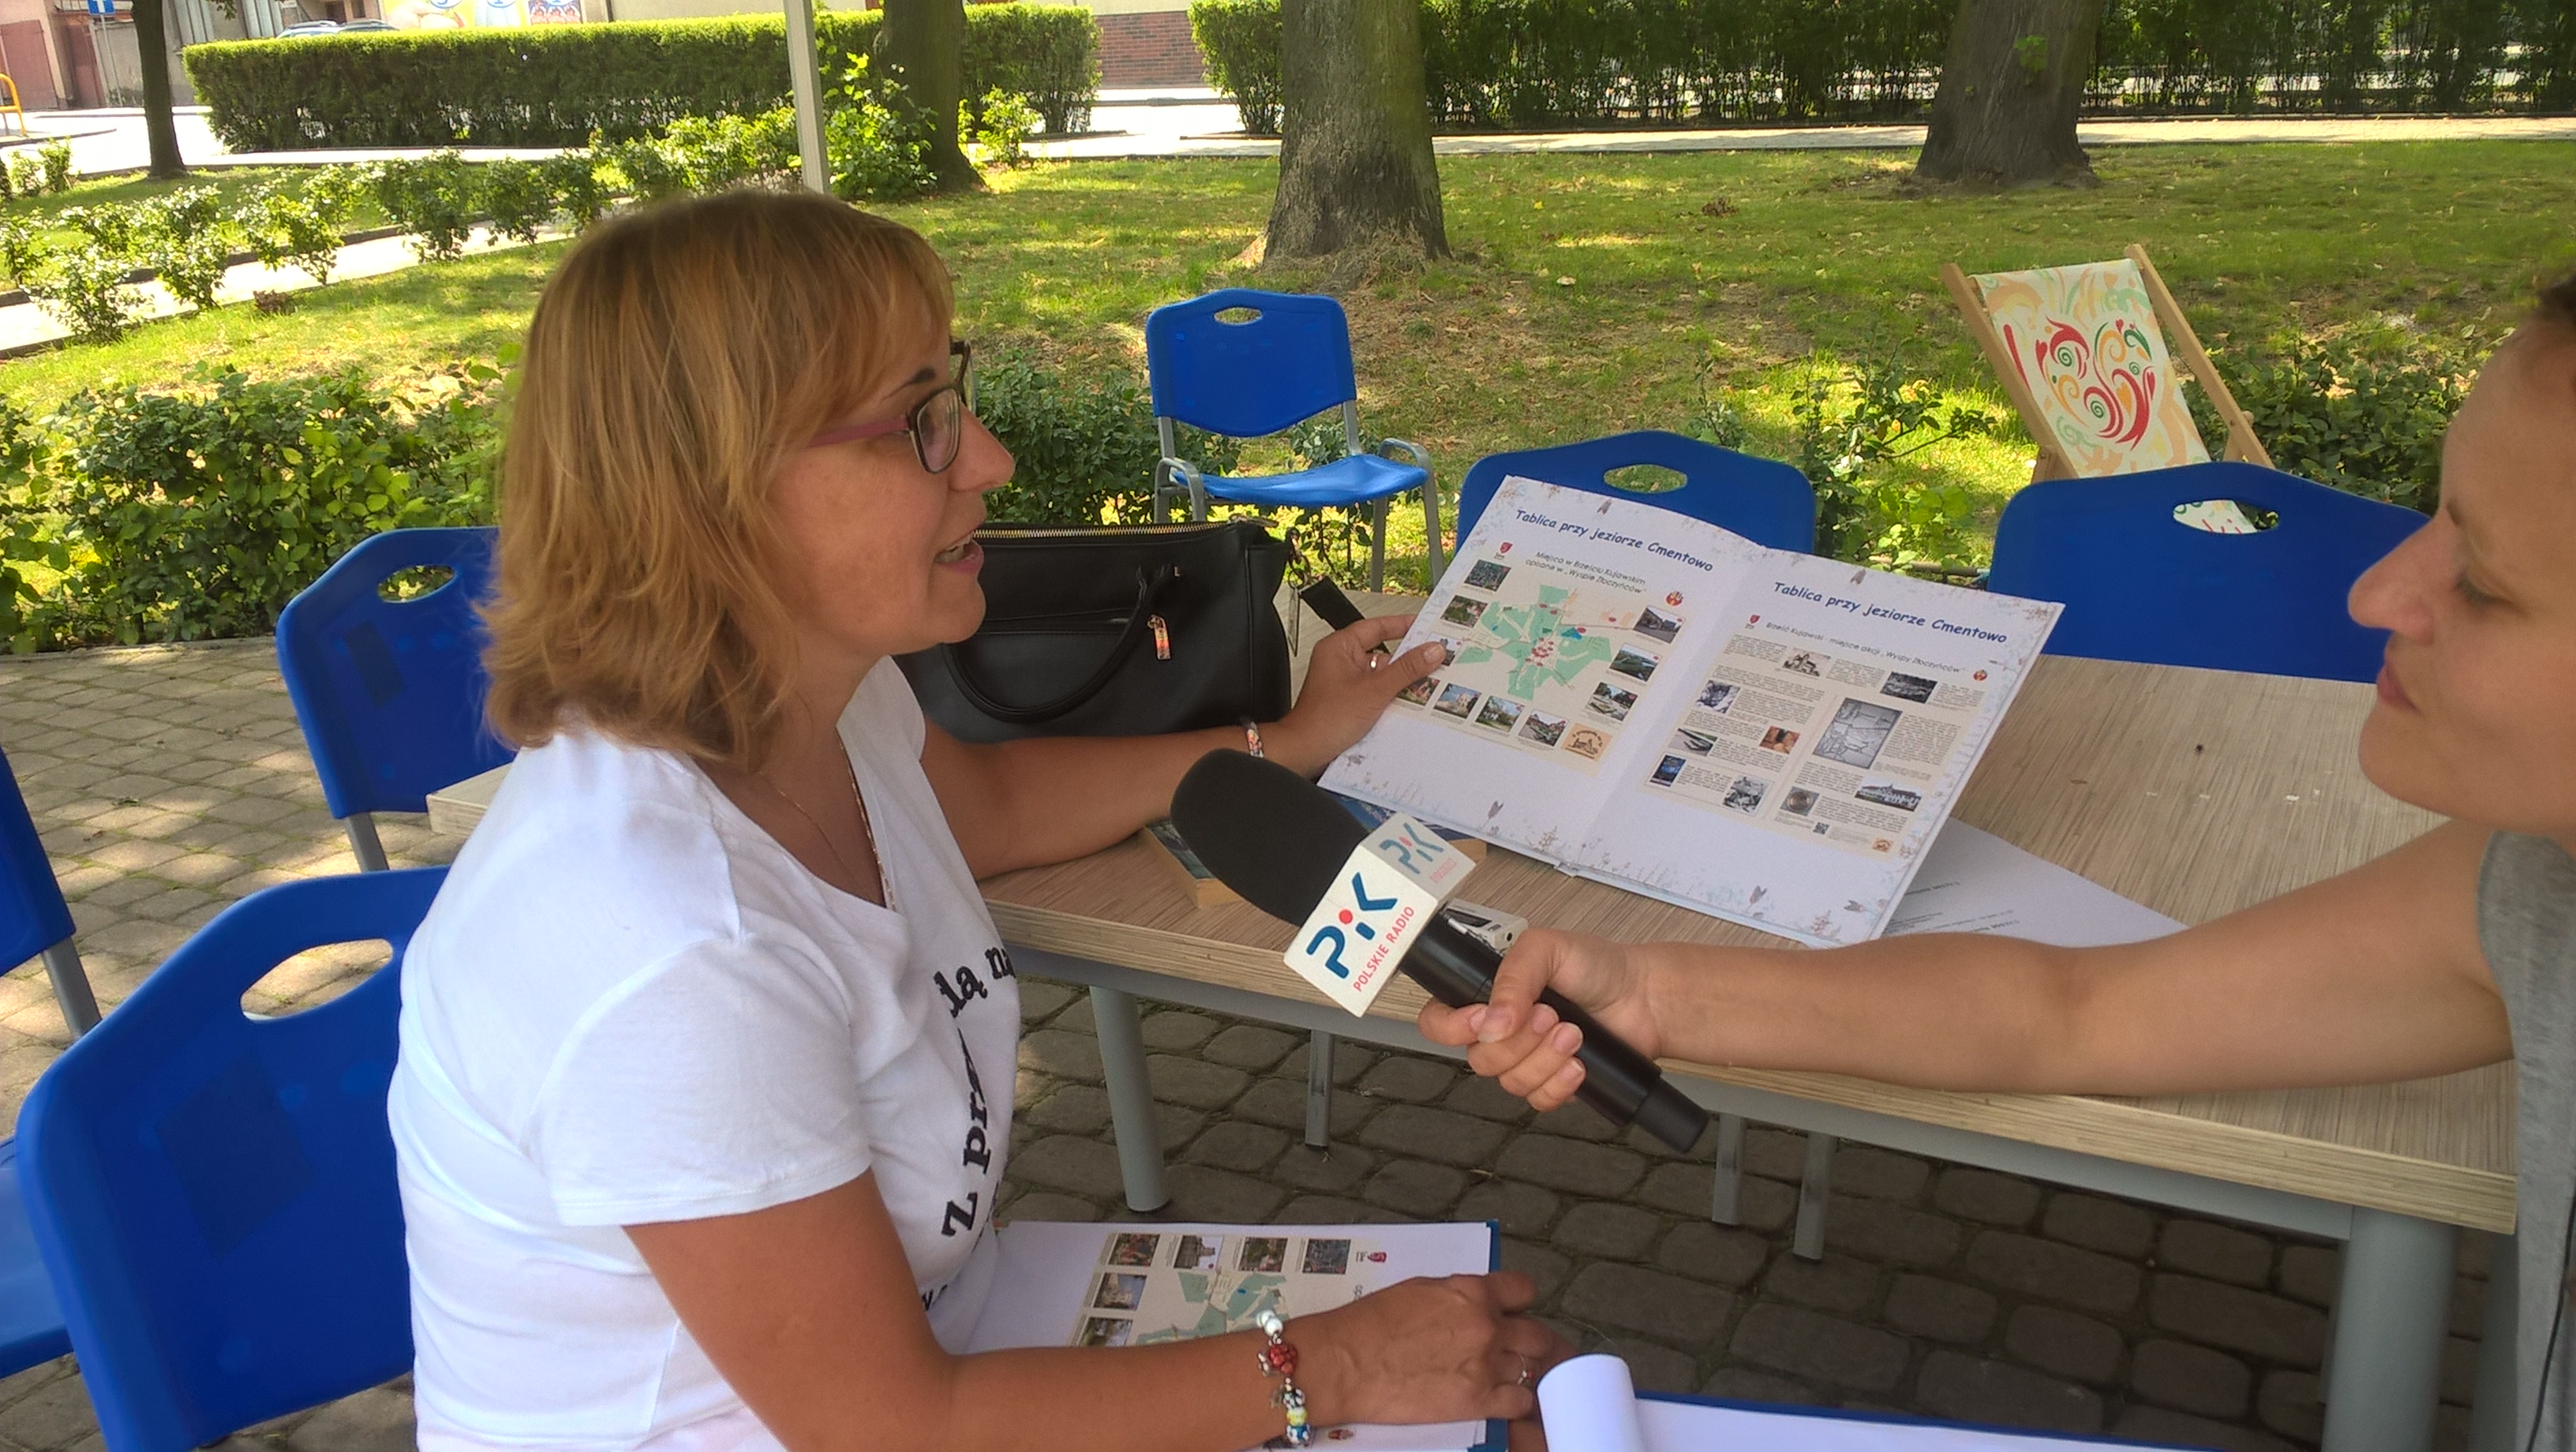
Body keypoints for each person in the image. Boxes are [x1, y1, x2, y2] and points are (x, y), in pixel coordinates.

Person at [388, 189, 1563, 1452]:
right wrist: (1335, 1364)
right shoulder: (668, 949)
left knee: (1517, 1389)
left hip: (954, 1341)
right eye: (920, 424)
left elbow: (991, 806)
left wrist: (1289, 742)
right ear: (715, 495)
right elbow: (894, 1431)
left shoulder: (823, 702)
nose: (991, 460)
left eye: (953, 397)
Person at [1423, 272, 2576, 1446]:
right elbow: (2079, 1009)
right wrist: (1652, 993)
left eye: (2484, 582)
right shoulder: (2526, 889)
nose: (2377, 593)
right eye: (2435, 519)